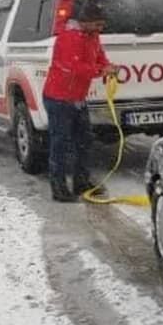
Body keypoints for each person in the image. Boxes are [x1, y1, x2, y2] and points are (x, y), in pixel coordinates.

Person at [42, 12, 115, 202]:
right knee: (61, 143)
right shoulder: (69, 38)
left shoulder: (92, 36)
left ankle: (80, 181)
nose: (100, 28)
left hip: (78, 98)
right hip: (59, 98)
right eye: (97, 23)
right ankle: (58, 187)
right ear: (85, 22)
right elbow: (74, 68)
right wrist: (101, 70)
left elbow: (100, 57)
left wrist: (108, 67)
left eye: (102, 24)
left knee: (84, 141)